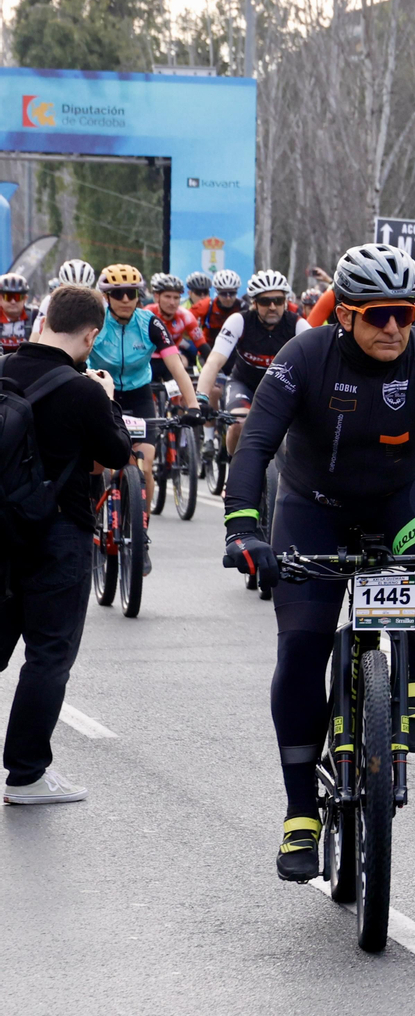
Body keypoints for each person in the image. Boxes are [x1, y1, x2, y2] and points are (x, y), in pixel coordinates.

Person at [219, 244, 415, 878]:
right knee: (301, 647)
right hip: (313, 504)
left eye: (404, 313)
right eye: (378, 315)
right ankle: (300, 814)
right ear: (346, 315)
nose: (393, 327)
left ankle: (413, 677)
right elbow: (256, 444)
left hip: (401, 497)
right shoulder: (303, 356)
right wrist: (243, 525)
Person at [0, 285, 131, 805]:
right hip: (58, 533)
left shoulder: (3, 370)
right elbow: (116, 453)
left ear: (44, 319)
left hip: (0, 533)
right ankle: (27, 775)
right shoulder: (83, 392)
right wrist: (109, 398)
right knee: (49, 654)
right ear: (92, 334)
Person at [90, 264, 199, 514]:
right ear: (106, 297)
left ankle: (141, 531)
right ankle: (90, 513)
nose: (126, 299)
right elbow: (79, 357)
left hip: (139, 395)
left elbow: (176, 367)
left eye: (132, 292)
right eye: (118, 294)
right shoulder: (97, 320)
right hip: (100, 392)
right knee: (96, 464)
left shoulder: (150, 322)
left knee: (145, 466)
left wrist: (193, 405)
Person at [197, 270, 302, 463]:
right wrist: (202, 397)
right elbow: (214, 361)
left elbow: (319, 360)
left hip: (279, 388)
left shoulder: (297, 324)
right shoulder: (239, 321)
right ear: (254, 303)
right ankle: (235, 472)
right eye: (265, 301)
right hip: (243, 384)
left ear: (285, 302)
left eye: (278, 301)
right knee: (238, 423)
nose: (272, 307)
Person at [145, 273, 205, 389]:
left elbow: (202, 345)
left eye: (176, 298)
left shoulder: (185, 316)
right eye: (167, 297)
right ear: (157, 297)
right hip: (148, 361)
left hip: (171, 361)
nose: (172, 302)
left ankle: (178, 405)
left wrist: (216, 369)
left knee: (181, 390)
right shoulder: (147, 314)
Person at [195, 269, 243, 359]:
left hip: (235, 354)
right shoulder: (205, 305)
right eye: (224, 294)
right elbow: (183, 321)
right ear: (217, 292)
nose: (228, 298)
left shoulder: (243, 307)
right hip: (208, 352)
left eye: (232, 293)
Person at [0, 273, 39, 354]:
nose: (13, 302)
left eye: (17, 297)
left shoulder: (35, 316)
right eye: (8, 297)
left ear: (25, 299)